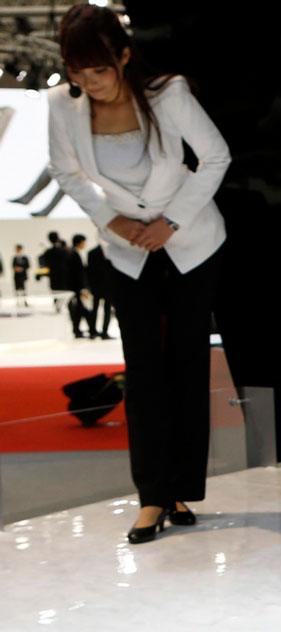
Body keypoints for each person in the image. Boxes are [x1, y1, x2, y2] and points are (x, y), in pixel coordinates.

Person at [48, 5, 231, 544]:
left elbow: (216, 157)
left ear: (123, 56)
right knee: (143, 370)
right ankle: (151, 496)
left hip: (192, 243)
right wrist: (112, 221)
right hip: (127, 250)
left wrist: (171, 223)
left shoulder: (168, 94)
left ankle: (181, 489)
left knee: (187, 363)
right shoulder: (62, 105)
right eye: (77, 73)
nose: (89, 83)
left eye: (98, 70)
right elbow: (65, 171)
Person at [85, 243, 115, 337]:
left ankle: (97, 331)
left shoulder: (92, 253)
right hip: (102, 286)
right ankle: (99, 331)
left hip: (101, 286)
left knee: (101, 309)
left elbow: (89, 271)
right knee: (100, 309)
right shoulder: (109, 252)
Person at [66, 233, 91, 337]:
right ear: (80, 242)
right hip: (76, 287)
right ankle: (80, 329)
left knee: (79, 309)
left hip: (74, 287)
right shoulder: (74, 254)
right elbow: (77, 273)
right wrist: (82, 288)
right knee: (79, 309)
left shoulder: (72, 253)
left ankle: (78, 329)